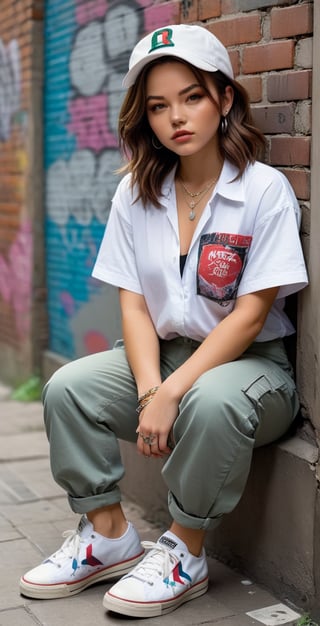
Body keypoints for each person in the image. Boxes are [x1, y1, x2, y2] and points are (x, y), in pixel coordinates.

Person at [20, 23, 308, 619]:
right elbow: (134, 305)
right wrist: (153, 388)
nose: (176, 117)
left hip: (251, 370)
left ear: (225, 98)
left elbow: (251, 315)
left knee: (211, 402)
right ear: (143, 116)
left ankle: (184, 551)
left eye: (192, 96)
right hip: (167, 357)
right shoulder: (136, 193)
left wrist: (172, 393)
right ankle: (107, 536)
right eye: (158, 106)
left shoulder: (263, 191)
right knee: (68, 388)